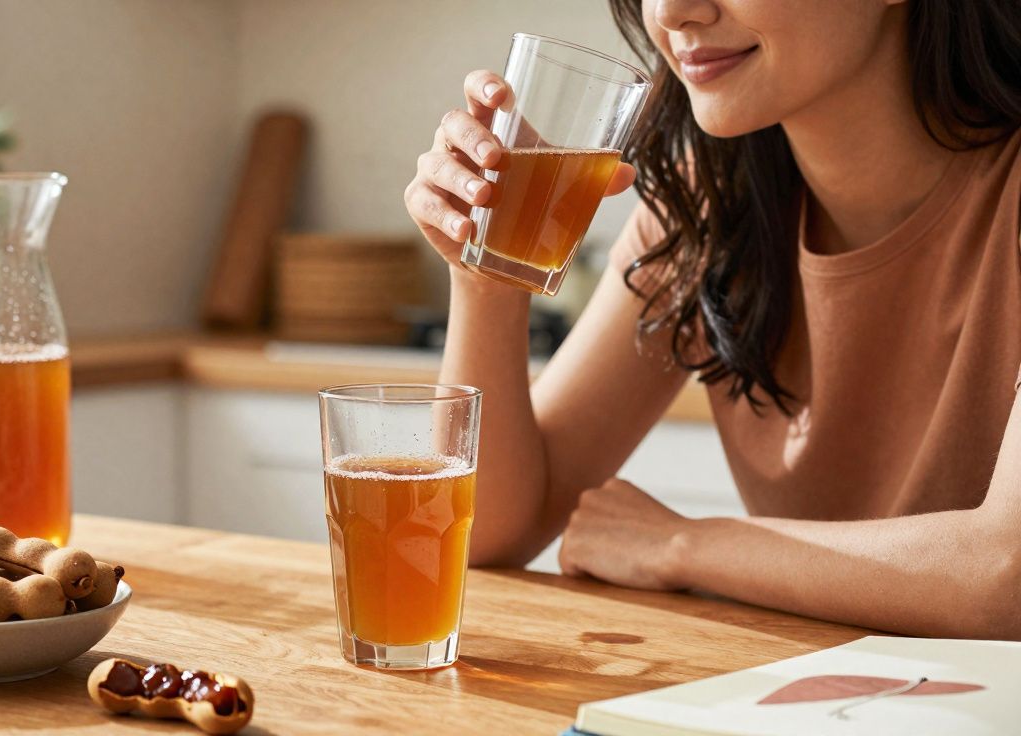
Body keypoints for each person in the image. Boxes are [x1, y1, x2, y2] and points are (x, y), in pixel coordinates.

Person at [403, 0, 1021, 638]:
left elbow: (1009, 579)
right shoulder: (706, 206)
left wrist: (684, 545)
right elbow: (488, 528)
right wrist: (486, 273)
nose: (671, 11)